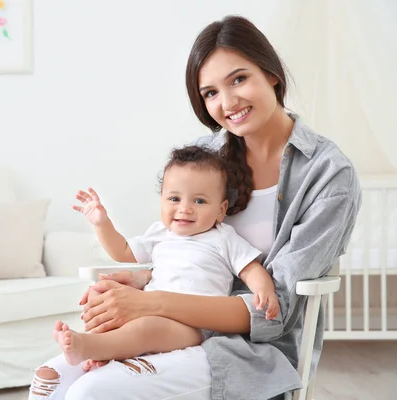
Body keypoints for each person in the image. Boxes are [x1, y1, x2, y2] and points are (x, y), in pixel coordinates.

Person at [29, 15, 361, 400]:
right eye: (210, 93)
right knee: (50, 379)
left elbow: (276, 313)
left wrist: (147, 303)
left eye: (239, 79)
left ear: (271, 74)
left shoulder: (328, 174)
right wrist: (132, 284)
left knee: (92, 392)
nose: (228, 102)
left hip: (247, 349)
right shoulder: (204, 157)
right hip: (163, 319)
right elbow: (173, 247)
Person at [53, 145, 280, 368]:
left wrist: (264, 289)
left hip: (193, 325)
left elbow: (250, 268)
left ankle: (87, 347)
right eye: (174, 199)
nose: (185, 208)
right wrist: (102, 224)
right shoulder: (160, 234)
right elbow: (122, 252)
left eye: (199, 201)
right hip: (145, 308)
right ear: (161, 200)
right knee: (101, 291)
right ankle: (100, 351)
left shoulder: (223, 238)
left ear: (221, 210)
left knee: (146, 330)